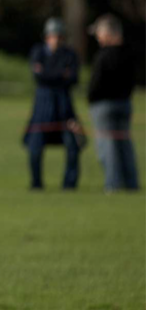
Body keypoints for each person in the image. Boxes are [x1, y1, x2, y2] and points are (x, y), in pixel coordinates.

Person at [24, 18, 82, 189]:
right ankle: (36, 183)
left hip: (64, 107)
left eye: (58, 36)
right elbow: (38, 76)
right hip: (42, 107)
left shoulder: (70, 54)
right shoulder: (38, 52)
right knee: (34, 147)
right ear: (46, 37)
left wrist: (48, 73)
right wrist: (60, 74)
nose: (55, 40)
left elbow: (72, 77)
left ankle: (69, 184)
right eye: (51, 36)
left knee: (73, 145)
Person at [87, 14, 138, 191]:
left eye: (99, 33)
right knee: (124, 143)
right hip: (124, 104)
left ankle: (113, 184)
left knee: (106, 146)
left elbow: (96, 84)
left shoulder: (103, 56)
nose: (98, 37)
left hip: (103, 106)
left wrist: (91, 99)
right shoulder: (130, 53)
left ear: (109, 34)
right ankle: (131, 183)